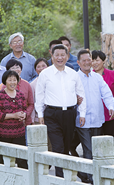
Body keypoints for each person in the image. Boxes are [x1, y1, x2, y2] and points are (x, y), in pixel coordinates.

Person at [35, 44, 86, 177]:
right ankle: (60, 176)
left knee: (66, 145)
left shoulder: (73, 74)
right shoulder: (45, 74)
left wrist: (82, 113)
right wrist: (40, 114)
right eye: (56, 55)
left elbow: (81, 94)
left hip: (70, 113)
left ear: (67, 56)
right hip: (52, 114)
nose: (60, 58)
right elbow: (39, 95)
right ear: (51, 56)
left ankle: (66, 174)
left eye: (62, 55)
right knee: (57, 146)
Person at [75, 49, 114, 184]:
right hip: (83, 121)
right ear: (78, 63)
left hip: (97, 119)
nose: (87, 63)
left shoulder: (97, 77)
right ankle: (92, 177)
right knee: (88, 149)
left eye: (89, 60)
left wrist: (111, 106)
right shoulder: (75, 78)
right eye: (84, 60)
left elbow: (106, 92)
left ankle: (86, 174)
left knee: (96, 149)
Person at [0, 70, 28, 169]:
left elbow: (25, 109)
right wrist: (14, 115)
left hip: (19, 134)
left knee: (22, 162)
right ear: (5, 81)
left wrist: (24, 115)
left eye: (15, 80)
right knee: (4, 162)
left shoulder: (20, 94)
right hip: (5, 134)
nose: (12, 82)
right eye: (10, 80)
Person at [92, 50, 114, 137]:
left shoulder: (112, 74)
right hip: (95, 113)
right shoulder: (89, 76)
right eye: (92, 60)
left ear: (103, 61)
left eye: (97, 60)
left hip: (110, 112)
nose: (94, 63)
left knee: (109, 137)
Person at [0, 59, 34, 127]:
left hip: (26, 122)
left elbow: (31, 103)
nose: (15, 70)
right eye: (13, 68)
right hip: (8, 124)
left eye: (17, 67)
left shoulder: (27, 84)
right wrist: (15, 115)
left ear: (21, 69)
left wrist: (25, 114)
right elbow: (0, 108)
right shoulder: (3, 86)